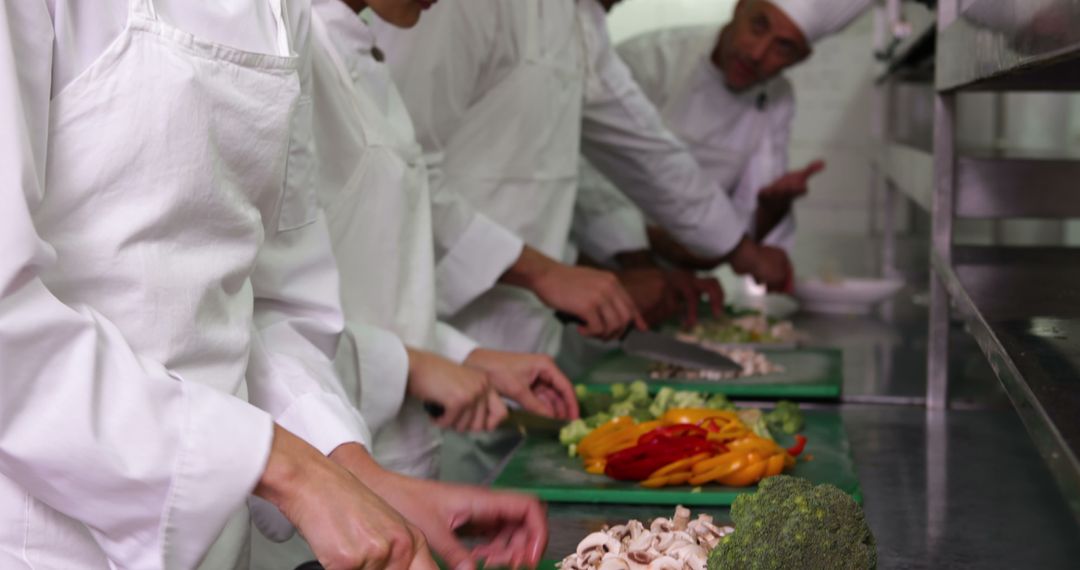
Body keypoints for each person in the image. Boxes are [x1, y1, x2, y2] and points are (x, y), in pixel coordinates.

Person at [0, 2, 544, 569]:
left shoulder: (284, 14)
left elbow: (267, 302)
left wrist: (349, 470)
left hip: (219, 533)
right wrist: (289, 471)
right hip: (46, 541)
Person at [372, 0, 794, 358]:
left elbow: (646, 147)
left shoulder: (577, 19)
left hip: (524, 344)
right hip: (433, 336)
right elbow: (395, 169)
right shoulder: (459, 7)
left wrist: (738, 247)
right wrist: (544, 273)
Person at [576, 0, 873, 275]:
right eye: (758, 25)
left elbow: (744, 225)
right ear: (739, 6)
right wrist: (640, 256)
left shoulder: (776, 99)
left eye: (783, 47)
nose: (757, 53)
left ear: (801, 58)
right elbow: (589, 166)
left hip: (686, 275)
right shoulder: (648, 59)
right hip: (598, 263)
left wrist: (769, 211)